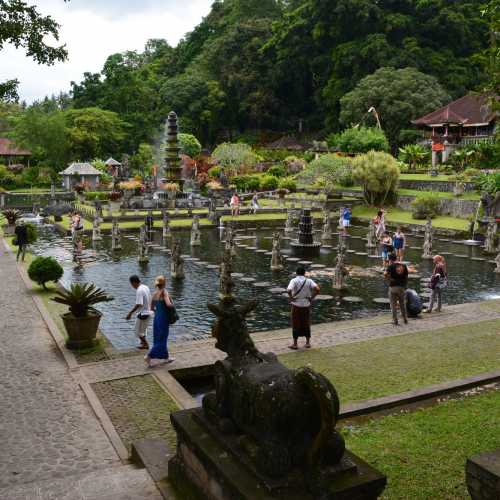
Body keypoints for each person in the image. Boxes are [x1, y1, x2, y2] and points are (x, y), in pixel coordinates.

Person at [287, 266, 320, 349]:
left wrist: (291, 297)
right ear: (304, 273)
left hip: (296, 306)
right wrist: (312, 297)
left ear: (296, 273)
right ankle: (308, 343)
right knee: (306, 323)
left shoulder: (293, 280)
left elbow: (288, 290)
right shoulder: (309, 281)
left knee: (295, 324)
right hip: (306, 305)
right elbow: (318, 289)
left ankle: (295, 344)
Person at [145, 275, 175, 367]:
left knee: (158, 338)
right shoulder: (164, 292)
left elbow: (151, 308)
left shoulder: (154, 294)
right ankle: (148, 356)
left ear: (156, 284)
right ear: (164, 283)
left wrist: (158, 310)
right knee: (162, 339)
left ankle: (166, 357)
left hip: (157, 318)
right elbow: (168, 304)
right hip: (163, 319)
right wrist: (173, 304)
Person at [126, 275, 152, 349]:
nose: (132, 286)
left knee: (137, 331)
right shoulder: (145, 287)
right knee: (143, 329)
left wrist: (130, 313)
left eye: (131, 284)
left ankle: (146, 344)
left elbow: (139, 304)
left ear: (134, 283)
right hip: (149, 311)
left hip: (143, 313)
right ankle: (142, 343)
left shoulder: (139, 290)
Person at [384, 253, 409, 326]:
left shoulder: (390, 266)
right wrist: (405, 285)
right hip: (402, 287)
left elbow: (385, 274)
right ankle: (405, 319)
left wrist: (388, 279)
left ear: (390, 259)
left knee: (393, 305)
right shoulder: (404, 266)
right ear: (396, 258)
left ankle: (395, 320)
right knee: (402, 304)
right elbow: (407, 276)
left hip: (393, 287)